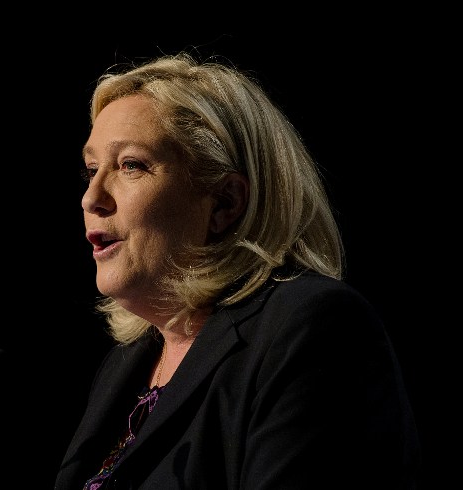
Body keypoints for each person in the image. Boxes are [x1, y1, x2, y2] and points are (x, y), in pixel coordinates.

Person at [54, 52, 421, 489]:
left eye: (131, 165)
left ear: (225, 202)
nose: (91, 198)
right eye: (92, 169)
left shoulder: (310, 329)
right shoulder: (125, 366)